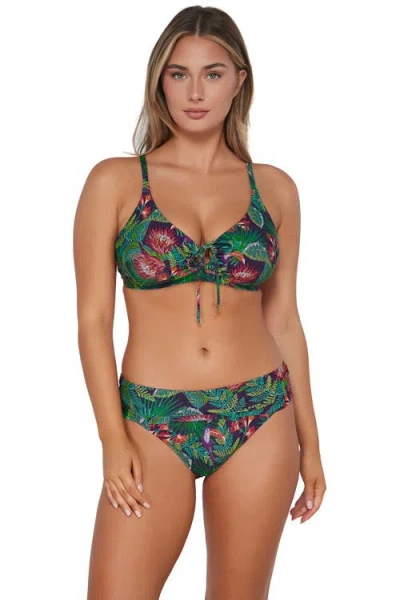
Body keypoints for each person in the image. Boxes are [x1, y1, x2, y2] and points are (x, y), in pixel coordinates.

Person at [73, 5, 327, 599]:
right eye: (178, 74)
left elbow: (284, 319)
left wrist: (312, 445)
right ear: (159, 81)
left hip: (260, 411)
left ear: (239, 81)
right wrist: (112, 438)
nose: (194, 92)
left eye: (212, 74)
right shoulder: (115, 181)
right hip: (151, 418)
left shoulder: (275, 189)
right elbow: (93, 320)